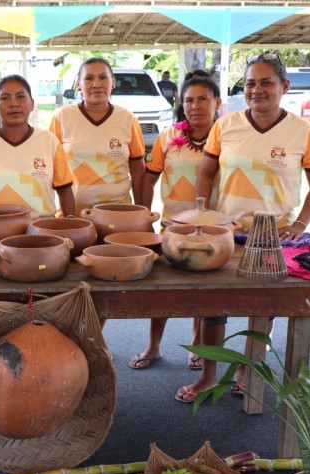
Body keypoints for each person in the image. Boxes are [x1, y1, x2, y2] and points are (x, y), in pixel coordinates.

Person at [174, 53, 310, 404]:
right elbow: (206, 173)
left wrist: (301, 224)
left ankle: (246, 370)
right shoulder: (225, 126)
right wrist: (205, 215)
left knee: (263, 308)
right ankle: (209, 376)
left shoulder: (304, 132)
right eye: (250, 83)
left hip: (274, 238)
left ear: (284, 86)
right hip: (226, 234)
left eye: (266, 82)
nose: (257, 90)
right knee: (214, 307)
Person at [129, 70, 221, 372]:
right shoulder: (168, 137)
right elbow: (148, 179)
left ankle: (196, 347)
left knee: (203, 292)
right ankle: (153, 346)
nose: (195, 106)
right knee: (163, 292)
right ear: (181, 103)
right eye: (189, 100)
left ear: (217, 102)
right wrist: (143, 217)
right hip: (171, 229)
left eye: (203, 99)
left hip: (211, 231)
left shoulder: (227, 137)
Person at [0, 74, 75, 219]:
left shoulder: (49, 141)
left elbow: (64, 188)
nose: (13, 103)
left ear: (32, 104)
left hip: (40, 233)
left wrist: (71, 222)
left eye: (20, 96)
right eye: (5, 98)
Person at [49, 57, 146, 213]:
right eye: (88, 78)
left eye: (103, 77)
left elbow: (137, 170)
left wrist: (143, 214)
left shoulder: (128, 119)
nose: (96, 84)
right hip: (73, 215)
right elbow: (51, 168)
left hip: (118, 214)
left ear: (113, 82)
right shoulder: (62, 117)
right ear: (79, 85)